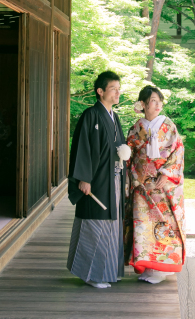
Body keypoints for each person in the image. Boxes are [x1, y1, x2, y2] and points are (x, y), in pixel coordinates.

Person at [66, 71, 127, 288]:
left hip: (114, 180)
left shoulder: (114, 117)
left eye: (119, 88)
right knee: (95, 223)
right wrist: (83, 178)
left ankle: (108, 271)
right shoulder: (90, 115)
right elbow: (82, 147)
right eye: (113, 88)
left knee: (111, 224)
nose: (118, 92)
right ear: (100, 91)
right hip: (96, 180)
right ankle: (91, 274)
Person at [124, 85, 185, 284]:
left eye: (160, 101)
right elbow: (130, 155)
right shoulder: (136, 127)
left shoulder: (168, 125)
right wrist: (134, 178)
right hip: (142, 184)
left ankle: (161, 269)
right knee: (143, 225)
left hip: (162, 185)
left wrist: (167, 174)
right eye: (153, 101)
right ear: (142, 104)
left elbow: (177, 151)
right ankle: (148, 267)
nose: (158, 105)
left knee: (162, 224)